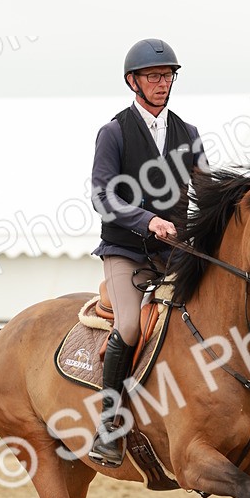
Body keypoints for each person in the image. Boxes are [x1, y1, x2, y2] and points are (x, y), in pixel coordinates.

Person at [89, 38, 207, 466]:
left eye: (168, 75)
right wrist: (147, 220)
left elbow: (205, 192)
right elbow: (102, 196)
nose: (162, 83)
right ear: (133, 81)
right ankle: (109, 425)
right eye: (154, 76)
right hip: (125, 251)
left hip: (174, 254)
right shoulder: (114, 132)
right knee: (130, 326)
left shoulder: (188, 134)